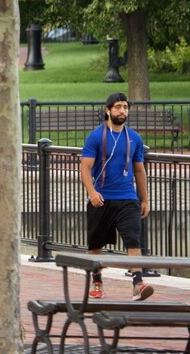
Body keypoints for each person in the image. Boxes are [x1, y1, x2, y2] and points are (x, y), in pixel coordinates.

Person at [79, 92, 153, 301]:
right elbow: (85, 168)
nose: (122, 111)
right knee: (96, 245)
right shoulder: (95, 137)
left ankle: (137, 283)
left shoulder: (134, 138)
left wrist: (144, 199)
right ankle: (97, 283)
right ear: (108, 110)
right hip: (101, 198)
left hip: (127, 197)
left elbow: (139, 170)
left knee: (133, 240)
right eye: (118, 107)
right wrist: (92, 192)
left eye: (125, 107)